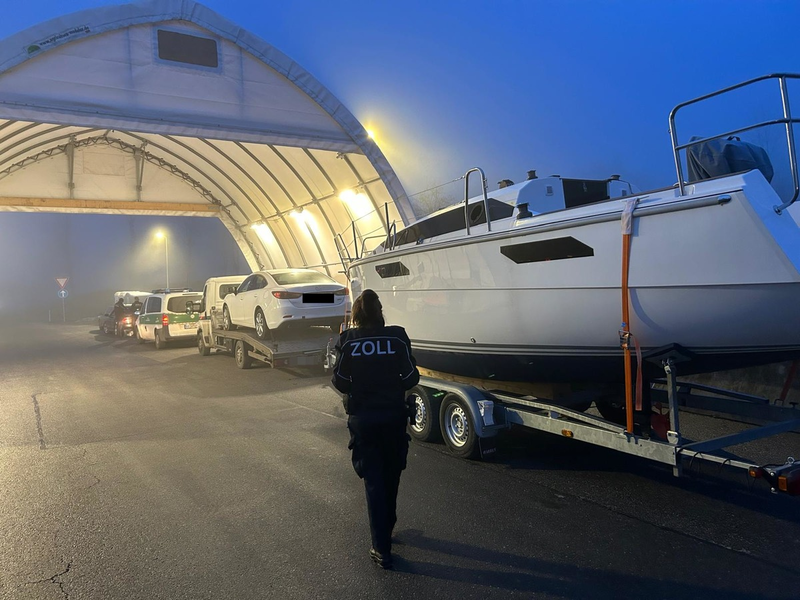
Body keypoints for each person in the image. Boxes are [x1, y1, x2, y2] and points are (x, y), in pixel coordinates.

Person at [332, 289, 419, 570]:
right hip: (393, 419)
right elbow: (410, 377)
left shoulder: (349, 341)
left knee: (374, 482)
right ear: (380, 312)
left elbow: (342, 382)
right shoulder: (396, 337)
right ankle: (388, 529)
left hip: (365, 423)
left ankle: (381, 548)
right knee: (392, 476)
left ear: (357, 315)